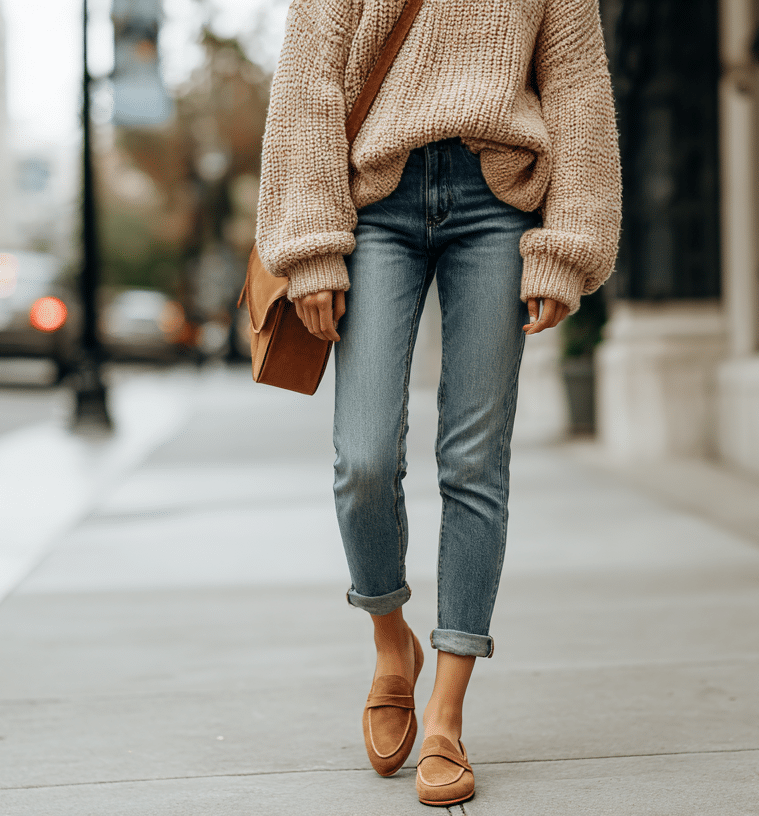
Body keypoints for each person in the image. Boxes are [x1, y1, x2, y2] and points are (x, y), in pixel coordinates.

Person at [255, 0, 620, 805]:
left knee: (474, 461)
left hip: (498, 202)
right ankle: (393, 642)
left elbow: (578, 89)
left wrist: (569, 246)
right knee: (362, 460)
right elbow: (309, 80)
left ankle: (448, 718)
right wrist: (311, 243)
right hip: (376, 201)